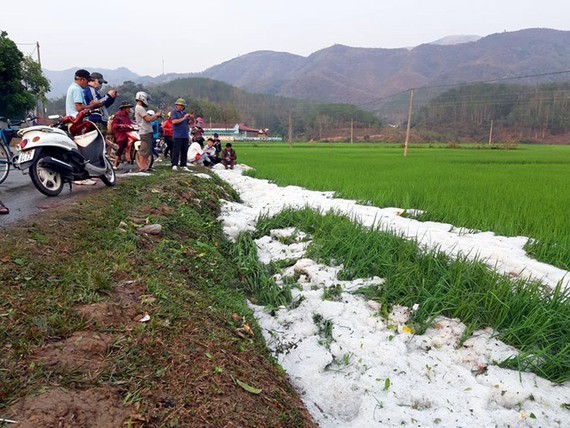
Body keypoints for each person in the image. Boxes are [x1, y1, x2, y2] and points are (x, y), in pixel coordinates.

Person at [134, 91, 162, 172]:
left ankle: (146, 165)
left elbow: (148, 120)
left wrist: (156, 116)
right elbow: (148, 119)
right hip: (144, 131)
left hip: (147, 131)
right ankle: (142, 167)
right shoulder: (140, 108)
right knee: (144, 150)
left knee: (147, 150)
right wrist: (156, 115)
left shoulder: (139, 108)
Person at [170, 98, 194, 171]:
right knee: (176, 151)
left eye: (182, 106)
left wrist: (192, 118)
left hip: (185, 135)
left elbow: (188, 123)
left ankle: (183, 164)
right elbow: (174, 122)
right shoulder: (174, 112)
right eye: (179, 105)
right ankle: (174, 164)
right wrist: (184, 118)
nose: (181, 107)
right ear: (176, 105)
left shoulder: (183, 113)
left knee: (184, 150)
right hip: (178, 135)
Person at [111, 101, 135, 170]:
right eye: (128, 108)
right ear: (124, 108)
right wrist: (120, 125)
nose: (129, 109)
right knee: (121, 147)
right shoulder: (118, 116)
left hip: (128, 133)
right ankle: (115, 164)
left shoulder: (127, 116)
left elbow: (130, 123)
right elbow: (114, 125)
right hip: (121, 135)